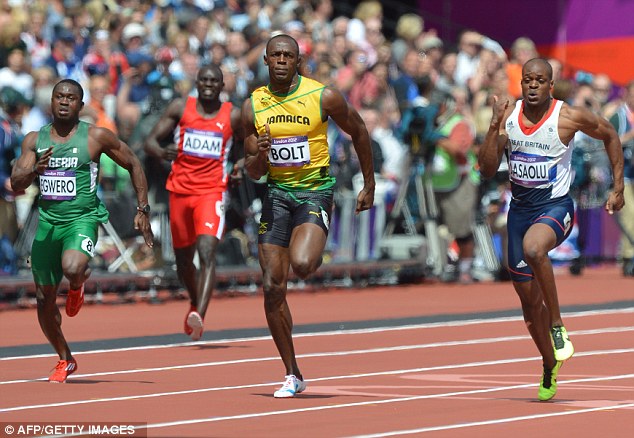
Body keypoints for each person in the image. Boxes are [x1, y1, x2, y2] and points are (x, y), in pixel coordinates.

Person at [478, 58, 624, 401]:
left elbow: (610, 134)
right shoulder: (509, 117)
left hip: (555, 208)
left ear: (550, 85)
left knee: (534, 248)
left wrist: (617, 188)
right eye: (527, 80)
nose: (532, 85)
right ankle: (548, 364)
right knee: (529, 309)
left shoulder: (568, 116)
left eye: (539, 80)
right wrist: (494, 125)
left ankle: (558, 324)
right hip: (520, 212)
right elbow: (486, 169)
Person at [242, 34, 375, 398]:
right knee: (272, 286)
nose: (282, 60)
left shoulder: (323, 95)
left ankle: (314, 241)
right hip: (276, 194)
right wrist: (260, 154)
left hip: (314, 190)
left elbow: (359, 131)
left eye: (289, 55)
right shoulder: (252, 105)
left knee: (301, 264)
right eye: (276, 55)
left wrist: (369, 184)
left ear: (297, 61)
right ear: (266, 61)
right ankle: (292, 373)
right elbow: (251, 169)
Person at [10, 79, 154, 383]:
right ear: (50, 102)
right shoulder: (34, 140)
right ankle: (65, 358)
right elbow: (16, 182)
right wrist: (34, 170)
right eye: (58, 97)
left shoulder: (96, 136)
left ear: (80, 104)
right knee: (42, 299)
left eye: (70, 98)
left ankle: (77, 283)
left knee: (73, 266)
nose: (64, 102)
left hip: (82, 219)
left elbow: (133, 163)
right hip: (47, 223)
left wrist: (143, 209)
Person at [144, 64, 243, 341]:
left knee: (207, 249)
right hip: (180, 191)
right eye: (204, 80)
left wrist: (241, 167)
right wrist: (163, 151)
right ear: (196, 83)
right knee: (184, 260)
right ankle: (193, 301)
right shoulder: (180, 108)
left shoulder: (232, 115)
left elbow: (249, 147)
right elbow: (149, 141)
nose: (209, 84)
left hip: (212, 191)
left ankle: (200, 312)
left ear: (222, 86)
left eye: (214, 81)